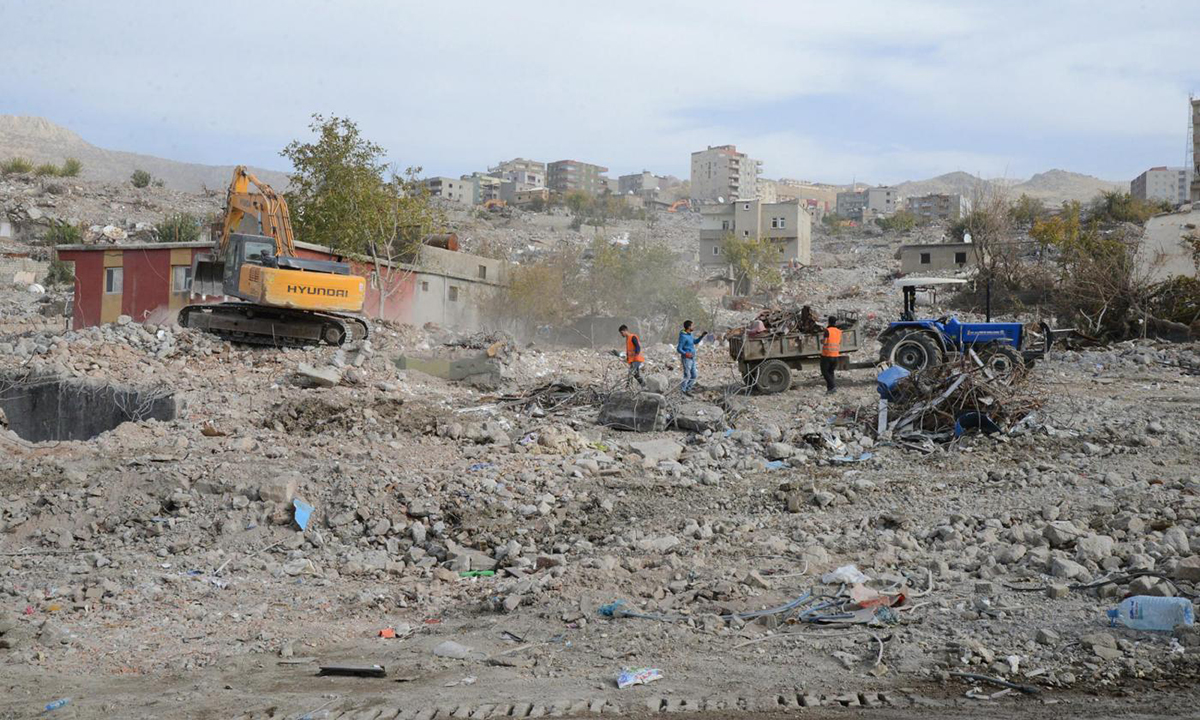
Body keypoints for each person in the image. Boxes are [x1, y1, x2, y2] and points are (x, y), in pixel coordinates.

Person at [676, 320, 709, 394]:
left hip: (692, 358)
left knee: (694, 375)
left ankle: (687, 389)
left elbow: (695, 342)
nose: (694, 327)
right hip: (687, 359)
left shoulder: (690, 334)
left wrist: (702, 336)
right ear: (689, 327)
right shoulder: (683, 336)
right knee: (687, 375)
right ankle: (683, 391)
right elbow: (679, 348)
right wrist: (686, 354)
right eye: (692, 325)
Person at [820, 315, 842, 394]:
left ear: (829, 322)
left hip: (827, 355)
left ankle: (832, 387)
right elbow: (839, 342)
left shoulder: (827, 330)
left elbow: (825, 342)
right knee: (831, 372)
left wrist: (821, 341)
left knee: (825, 372)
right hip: (836, 355)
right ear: (835, 322)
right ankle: (830, 389)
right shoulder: (839, 331)